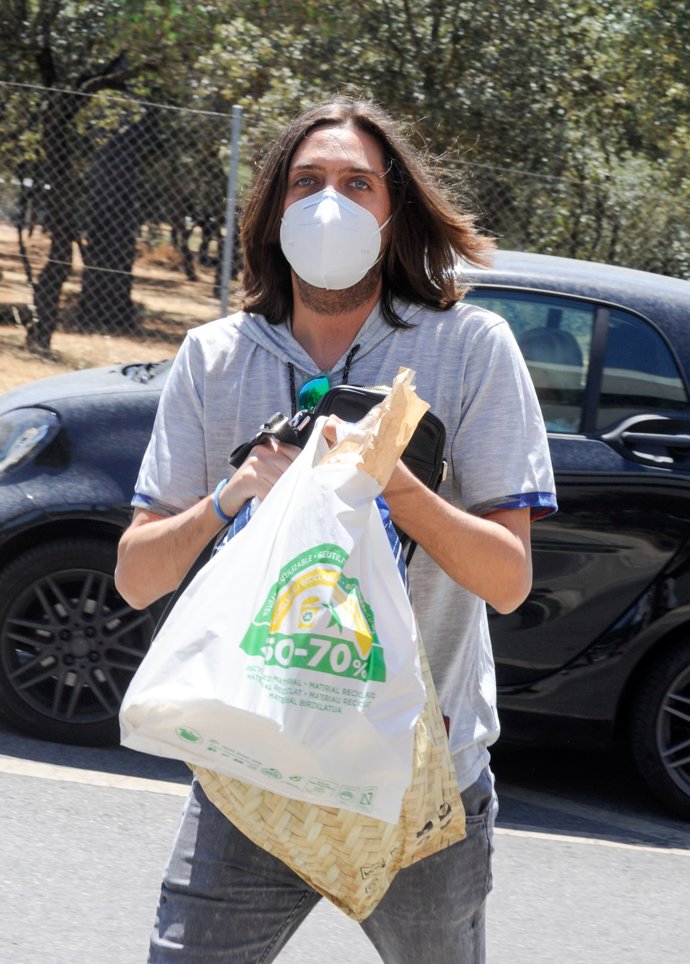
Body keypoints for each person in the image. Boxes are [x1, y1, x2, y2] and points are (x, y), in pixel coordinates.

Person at [115, 94, 556, 963]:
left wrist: (396, 484)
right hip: (252, 772)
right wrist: (233, 495)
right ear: (275, 207)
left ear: (394, 215)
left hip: (419, 786)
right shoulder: (216, 356)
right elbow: (135, 576)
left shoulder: (470, 348)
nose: (331, 203)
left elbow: (508, 581)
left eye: (358, 184)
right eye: (308, 182)